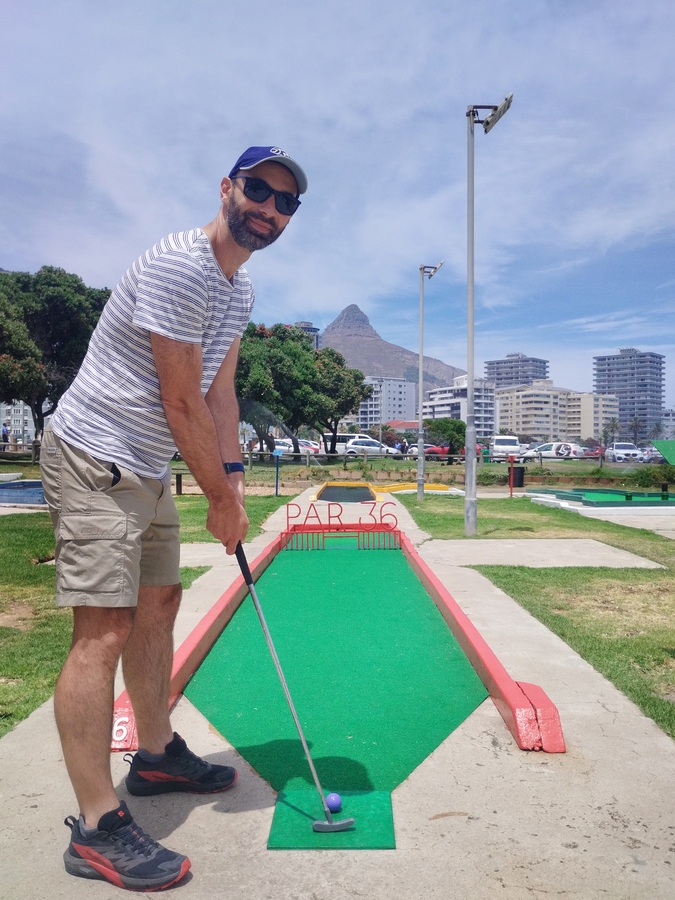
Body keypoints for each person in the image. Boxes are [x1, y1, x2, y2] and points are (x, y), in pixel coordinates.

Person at [40, 146, 308, 892]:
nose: (269, 208)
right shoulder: (180, 265)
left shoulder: (238, 288)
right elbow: (179, 397)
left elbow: (219, 393)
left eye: (285, 202)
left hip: (150, 465)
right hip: (94, 453)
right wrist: (217, 500)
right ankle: (97, 826)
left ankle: (155, 756)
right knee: (104, 628)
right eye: (258, 190)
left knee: (159, 602)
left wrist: (234, 482)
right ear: (227, 188)